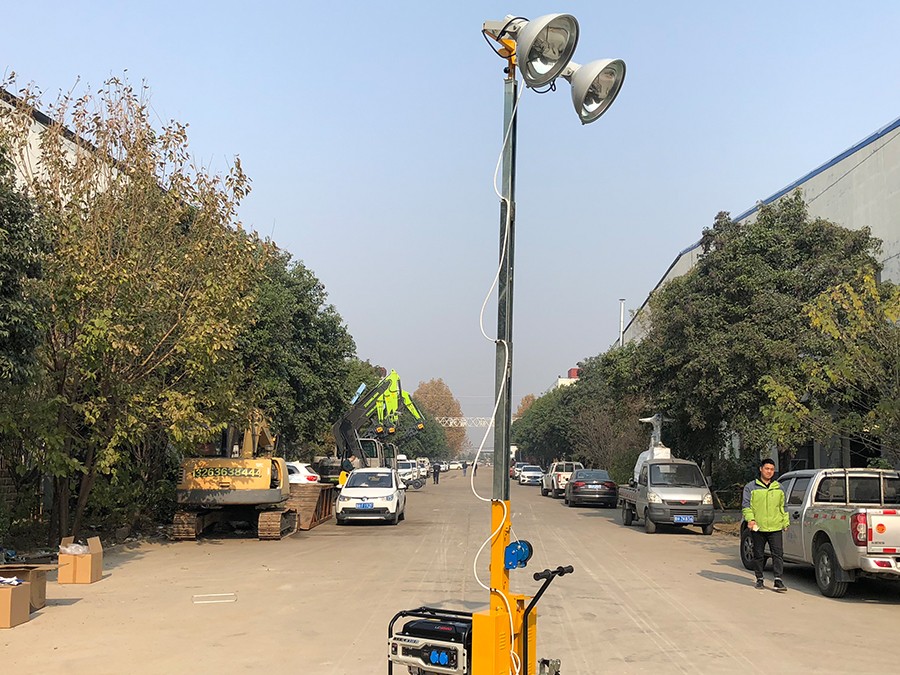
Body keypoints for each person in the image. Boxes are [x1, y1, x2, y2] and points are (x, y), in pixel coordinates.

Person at [742, 458, 789, 592]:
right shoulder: (751, 487)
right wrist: (750, 520)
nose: (769, 472)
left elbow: (783, 507)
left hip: (775, 526)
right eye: (767, 469)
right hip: (758, 527)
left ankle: (778, 580)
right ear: (761, 469)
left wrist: (785, 522)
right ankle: (759, 578)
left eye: (772, 469)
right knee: (758, 554)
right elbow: (746, 506)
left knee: (778, 554)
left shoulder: (779, 488)